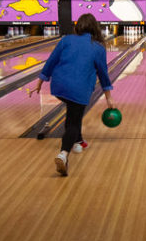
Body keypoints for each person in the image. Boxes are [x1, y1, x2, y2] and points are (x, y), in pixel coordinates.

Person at [30, 13, 115, 176]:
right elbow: (103, 74)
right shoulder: (98, 47)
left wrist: (40, 82)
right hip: (79, 89)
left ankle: (78, 140)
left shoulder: (66, 40)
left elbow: (51, 61)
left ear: (78, 27)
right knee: (73, 122)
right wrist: (109, 97)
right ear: (95, 28)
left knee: (73, 111)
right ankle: (63, 154)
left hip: (59, 87)